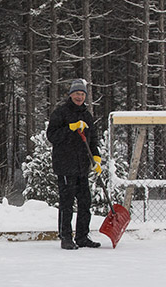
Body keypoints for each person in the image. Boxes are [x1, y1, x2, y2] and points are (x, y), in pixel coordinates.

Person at [47, 79, 102, 250]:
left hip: (81, 167)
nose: (79, 97)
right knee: (67, 203)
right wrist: (70, 128)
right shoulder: (61, 113)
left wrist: (96, 158)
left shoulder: (87, 115)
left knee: (85, 201)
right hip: (65, 165)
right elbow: (52, 136)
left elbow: (92, 139)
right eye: (77, 93)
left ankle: (82, 236)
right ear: (70, 95)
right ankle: (65, 237)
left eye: (82, 94)